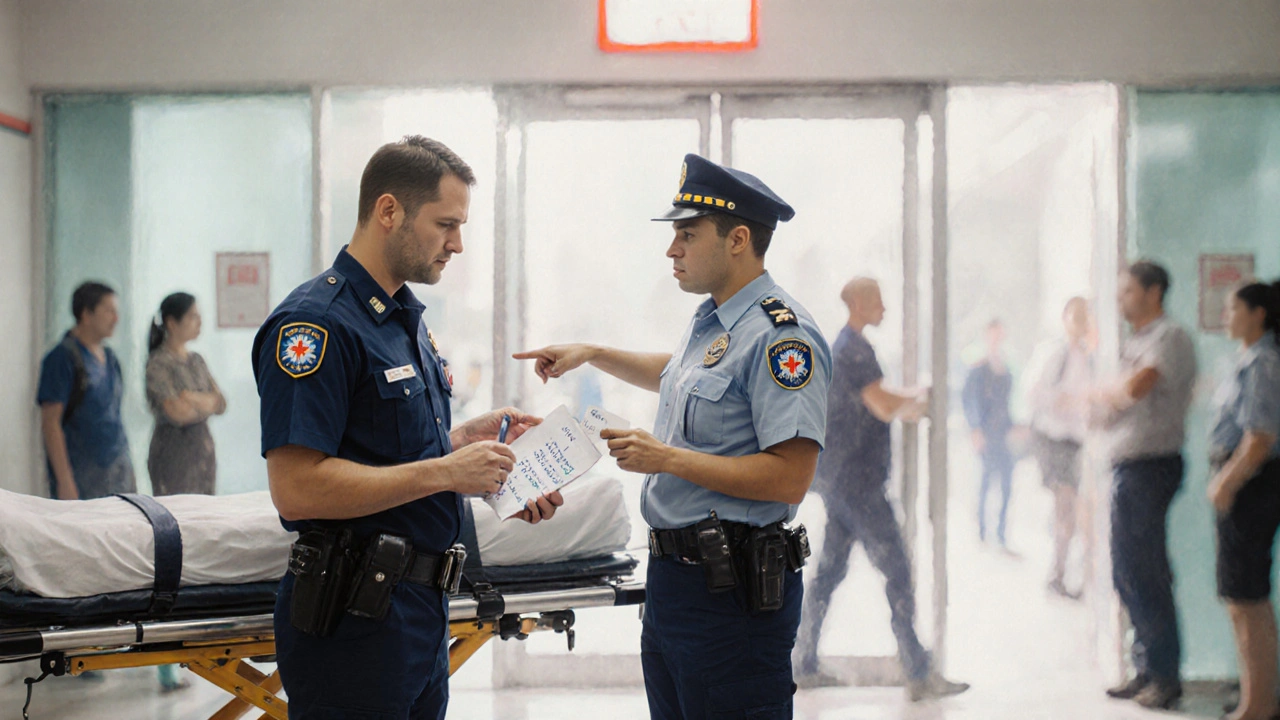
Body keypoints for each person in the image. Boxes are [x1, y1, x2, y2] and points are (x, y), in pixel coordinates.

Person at [253, 136, 562, 719]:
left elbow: (379, 454)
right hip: (352, 617)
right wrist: (446, 471)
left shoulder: (403, 320)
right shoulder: (316, 326)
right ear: (388, 210)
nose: (459, 244)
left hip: (417, 612)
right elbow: (297, 488)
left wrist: (462, 447)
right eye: (446, 224)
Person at [515, 154, 830, 719]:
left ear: (738, 239)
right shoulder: (714, 321)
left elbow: (790, 476)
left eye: (687, 234)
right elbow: (679, 377)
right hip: (675, 587)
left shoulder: (783, 338)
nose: (672, 249)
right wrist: (594, 353)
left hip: (730, 596)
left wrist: (668, 458)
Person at [793, 277, 969, 701]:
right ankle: (919, 671)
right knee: (897, 571)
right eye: (877, 300)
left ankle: (803, 663)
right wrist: (924, 396)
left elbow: (880, 403)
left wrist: (909, 401)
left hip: (843, 481)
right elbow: (883, 404)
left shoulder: (849, 348)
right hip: (858, 485)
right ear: (857, 303)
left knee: (829, 574)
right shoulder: (852, 350)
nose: (885, 307)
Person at [1093, 260, 1196, 710]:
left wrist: (1109, 394)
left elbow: (1134, 388)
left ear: (1153, 292)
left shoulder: (1168, 337)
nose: (1121, 300)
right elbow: (1105, 406)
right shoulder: (1134, 342)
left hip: (1151, 466)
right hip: (1126, 465)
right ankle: (1144, 667)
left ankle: (1165, 676)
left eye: (1128, 292)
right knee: (1126, 570)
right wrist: (1108, 396)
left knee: (1148, 570)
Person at [1207, 280, 1280, 720]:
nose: (1225, 316)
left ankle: (1258, 705)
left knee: (1246, 598)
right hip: (1244, 480)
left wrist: (1226, 483)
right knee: (1243, 598)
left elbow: (1259, 437)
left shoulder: (1265, 362)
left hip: (1251, 483)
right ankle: (1258, 700)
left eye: (1233, 308)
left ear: (1258, 314)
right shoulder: (1248, 360)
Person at [37, 281, 135, 500]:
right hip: (82, 473)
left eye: (116, 312)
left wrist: (129, 471)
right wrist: (65, 481)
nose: (115, 319)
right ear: (86, 314)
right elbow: (51, 423)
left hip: (117, 471)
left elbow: (116, 418)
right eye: (109, 311)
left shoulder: (111, 360)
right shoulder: (62, 358)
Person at [1027, 297, 1093, 599]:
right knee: (1065, 507)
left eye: (1085, 317)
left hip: (1079, 441)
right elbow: (1035, 393)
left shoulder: (1089, 356)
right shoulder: (1055, 353)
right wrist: (1061, 400)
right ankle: (1059, 572)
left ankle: (1067, 571)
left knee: (1077, 510)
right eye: (1076, 317)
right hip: (1056, 440)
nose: (1081, 323)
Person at [146, 292, 226, 496]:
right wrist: (206, 404)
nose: (199, 322)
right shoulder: (159, 363)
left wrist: (189, 397)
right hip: (173, 457)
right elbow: (177, 412)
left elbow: (221, 403)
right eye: (192, 316)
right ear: (172, 323)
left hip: (202, 454)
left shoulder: (197, 360)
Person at [962, 319, 1015, 548]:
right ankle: (982, 531)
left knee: (1005, 484)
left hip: (1003, 433)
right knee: (985, 481)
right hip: (985, 432)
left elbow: (1007, 404)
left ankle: (1000, 532)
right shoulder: (978, 368)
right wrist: (975, 429)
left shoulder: (1006, 368)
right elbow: (970, 400)